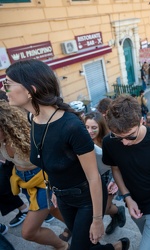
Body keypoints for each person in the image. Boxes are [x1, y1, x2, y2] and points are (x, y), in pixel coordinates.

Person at [4, 59, 129, 250]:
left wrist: (97, 220)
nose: (4, 90)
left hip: (86, 199)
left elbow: (94, 177)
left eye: (8, 84)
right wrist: (53, 190)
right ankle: (118, 246)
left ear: (31, 90)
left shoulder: (71, 126)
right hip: (62, 198)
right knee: (84, 244)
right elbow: (47, 161)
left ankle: (117, 246)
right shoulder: (33, 118)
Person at [102, 95, 150, 250]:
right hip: (135, 202)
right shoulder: (109, 142)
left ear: (141, 121)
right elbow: (115, 168)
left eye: (130, 136)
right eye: (118, 137)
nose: (124, 142)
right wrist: (127, 198)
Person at [0, 101, 68, 250]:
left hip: (43, 180)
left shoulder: (25, 137)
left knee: (28, 232)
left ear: (5, 125)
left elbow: (53, 157)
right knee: (54, 209)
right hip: (24, 182)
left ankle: (63, 246)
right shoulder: (1, 141)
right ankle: (80, 230)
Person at [84, 112, 126, 235]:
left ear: (101, 127)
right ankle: (116, 216)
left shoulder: (110, 141)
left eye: (93, 127)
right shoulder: (82, 139)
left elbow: (119, 164)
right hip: (91, 177)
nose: (89, 131)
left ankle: (118, 211)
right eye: (86, 127)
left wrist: (115, 181)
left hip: (109, 176)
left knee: (104, 208)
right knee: (96, 208)